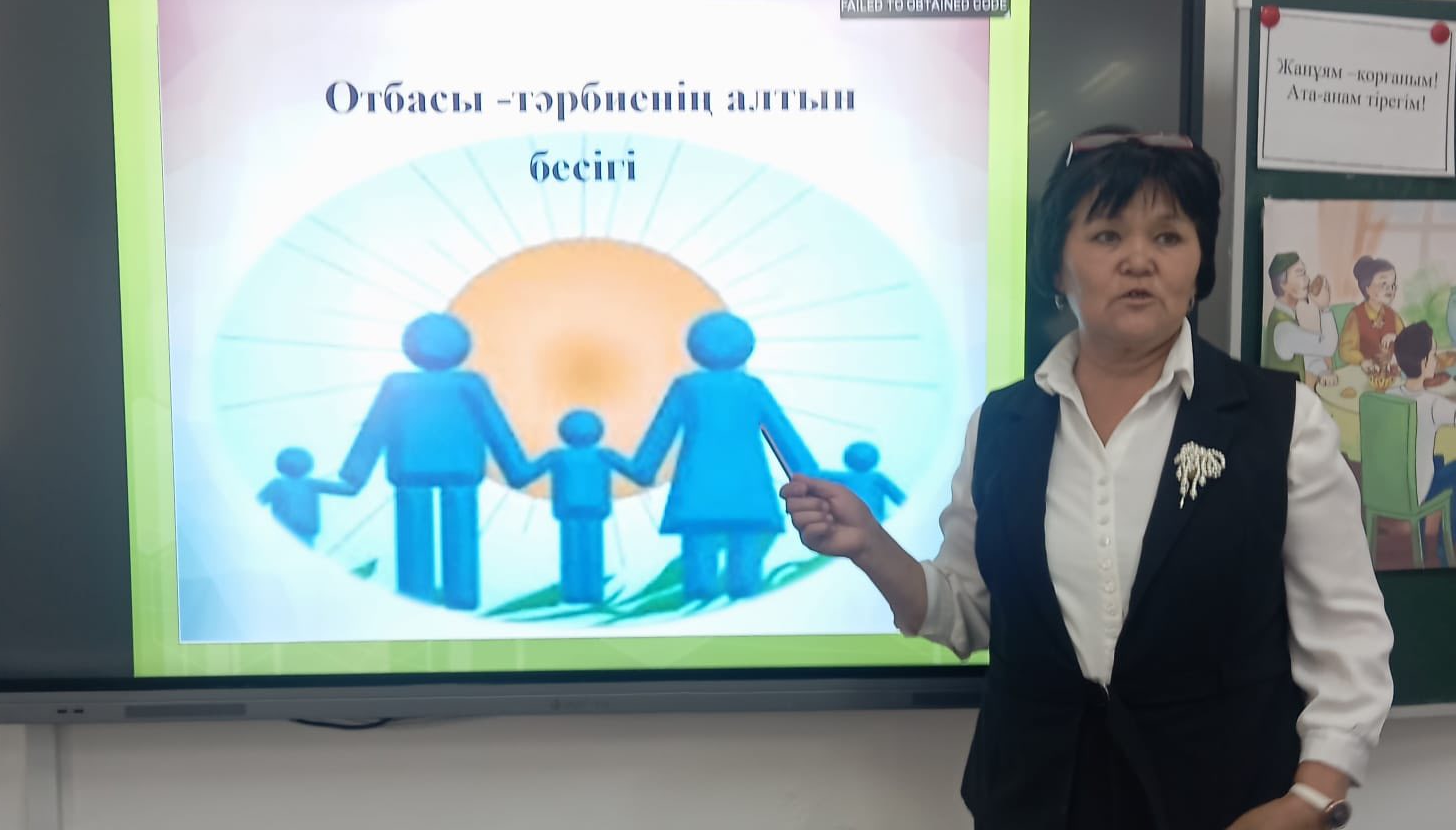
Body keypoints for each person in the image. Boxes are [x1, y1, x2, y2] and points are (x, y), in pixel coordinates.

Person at [781, 128, 1393, 830]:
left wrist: (1311, 800)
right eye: (1106, 236)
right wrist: (869, 546)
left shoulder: (1279, 420)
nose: (1139, 260)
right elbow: (972, 613)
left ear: (1199, 263)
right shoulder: (1002, 424)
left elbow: (1347, 634)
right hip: (1034, 802)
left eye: (1168, 237)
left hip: (1227, 807)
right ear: (1056, 266)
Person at [339, 313, 528, 609]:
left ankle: (416, 594)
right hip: (461, 470)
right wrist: (515, 468)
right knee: (461, 531)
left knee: (413, 531)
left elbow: (374, 428)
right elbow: (495, 427)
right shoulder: (470, 384)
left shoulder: (398, 385)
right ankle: (462, 595)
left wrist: (355, 472)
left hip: (411, 468)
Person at [629, 311, 817, 601]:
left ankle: (700, 596)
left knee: (699, 556)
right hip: (747, 487)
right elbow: (782, 434)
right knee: (746, 562)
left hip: (697, 486)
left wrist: (644, 468)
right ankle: (744, 594)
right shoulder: (752, 388)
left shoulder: (686, 388)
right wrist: (808, 474)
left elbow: (662, 433)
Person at [509, 409, 644, 603]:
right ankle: (592, 592)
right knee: (592, 550)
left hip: (569, 509)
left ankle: (574, 593)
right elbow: (635, 471)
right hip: (594, 509)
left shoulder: (557, 456)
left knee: (571, 551)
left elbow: (528, 473)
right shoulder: (604, 455)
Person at [1384, 321, 1456, 566]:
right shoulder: (1433, 404)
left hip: (1392, 488)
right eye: (1434, 355)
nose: (1436, 360)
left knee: (1438, 460)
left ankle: (1424, 532)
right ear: (1424, 363)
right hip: (1417, 491)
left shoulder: (1388, 396)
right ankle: (1446, 549)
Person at [1262, 251, 1339, 389]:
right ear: (1282, 284)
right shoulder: (1284, 329)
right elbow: (1328, 346)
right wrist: (1324, 308)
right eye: (1300, 274)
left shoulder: (1284, 317)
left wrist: (1321, 370)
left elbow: (1304, 355)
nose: (1308, 279)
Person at [256, 447, 357, 545]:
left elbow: (257, 503)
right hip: (297, 535)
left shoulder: (277, 484)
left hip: (286, 533)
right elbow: (349, 489)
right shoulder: (310, 484)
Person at [1338, 255, 1404, 373]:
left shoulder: (1393, 316)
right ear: (1367, 288)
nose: (1390, 289)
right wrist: (1362, 360)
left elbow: (1408, 341)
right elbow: (1346, 350)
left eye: (1393, 285)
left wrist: (1397, 338)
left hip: (1391, 372)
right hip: (1365, 372)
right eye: (1383, 284)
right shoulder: (1356, 315)